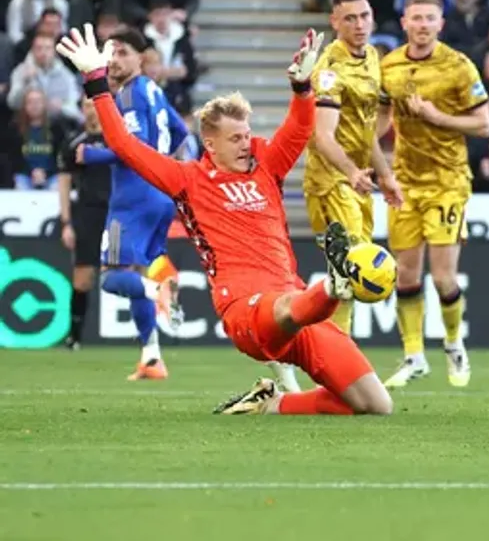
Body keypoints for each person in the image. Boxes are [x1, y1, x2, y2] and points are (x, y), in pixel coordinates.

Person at [58, 24, 394, 416]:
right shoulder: (187, 179)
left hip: (297, 300)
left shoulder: (266, 166)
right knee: (289, 306)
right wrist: (96, 82)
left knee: (375, 405)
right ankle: (334, 286)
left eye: (247, 135)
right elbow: (123, 144)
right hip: (245, 310)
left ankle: (270, 404)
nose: (246, 144)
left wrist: (303, 88)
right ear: (210, 144)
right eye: (236, 138)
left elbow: (301, 128)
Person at [379, 0, 489, 388]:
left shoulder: (458, 66)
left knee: (444, 277)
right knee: (406, 275)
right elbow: (382, 116)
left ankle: (454, 344)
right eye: (416, 18)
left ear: (441, 24)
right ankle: (413, 356)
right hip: (405, 181)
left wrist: (437, 116)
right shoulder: (389, 66)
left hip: (447, 182)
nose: (423, 25)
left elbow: (484, 125)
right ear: (404, 23)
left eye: (430, 18)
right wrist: (366, 151)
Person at [79, 29, 189, 380]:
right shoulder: (154, 90)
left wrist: (91, 155)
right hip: (161, 194)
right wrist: (175, 170)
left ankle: (161, 289)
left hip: (133, 197)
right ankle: (152, 357)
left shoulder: (128, 94)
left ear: (141, 57)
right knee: (135, 276)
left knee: (112, 278)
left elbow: (131, 146)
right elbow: (182, 133)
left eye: (122, 52)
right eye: (110, 53)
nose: (113, 60)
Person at [304, 0, 402, 338]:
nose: (359, 25)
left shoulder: (372, 57)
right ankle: (337, 353)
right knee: (355, 267)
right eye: (350, 18)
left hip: (357, 179)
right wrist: (351, 172)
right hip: (330, 182)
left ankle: (314, 344)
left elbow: (365, 132)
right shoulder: (329, 71)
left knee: (344, 275)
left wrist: (385, 175)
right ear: (335, 22)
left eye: (364, 16)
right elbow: (322, 136)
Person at [56, 98, 111, 349]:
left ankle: (145, 335)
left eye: (95, 104)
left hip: (116, 212)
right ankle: (74, 336)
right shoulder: (74, 143)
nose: (92, 110)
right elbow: (64, 183)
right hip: (87, 213)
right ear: (82, 109)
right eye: (87, 105)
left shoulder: (117, 140)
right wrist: (66, 222)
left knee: (129, 271)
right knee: (83, 277)